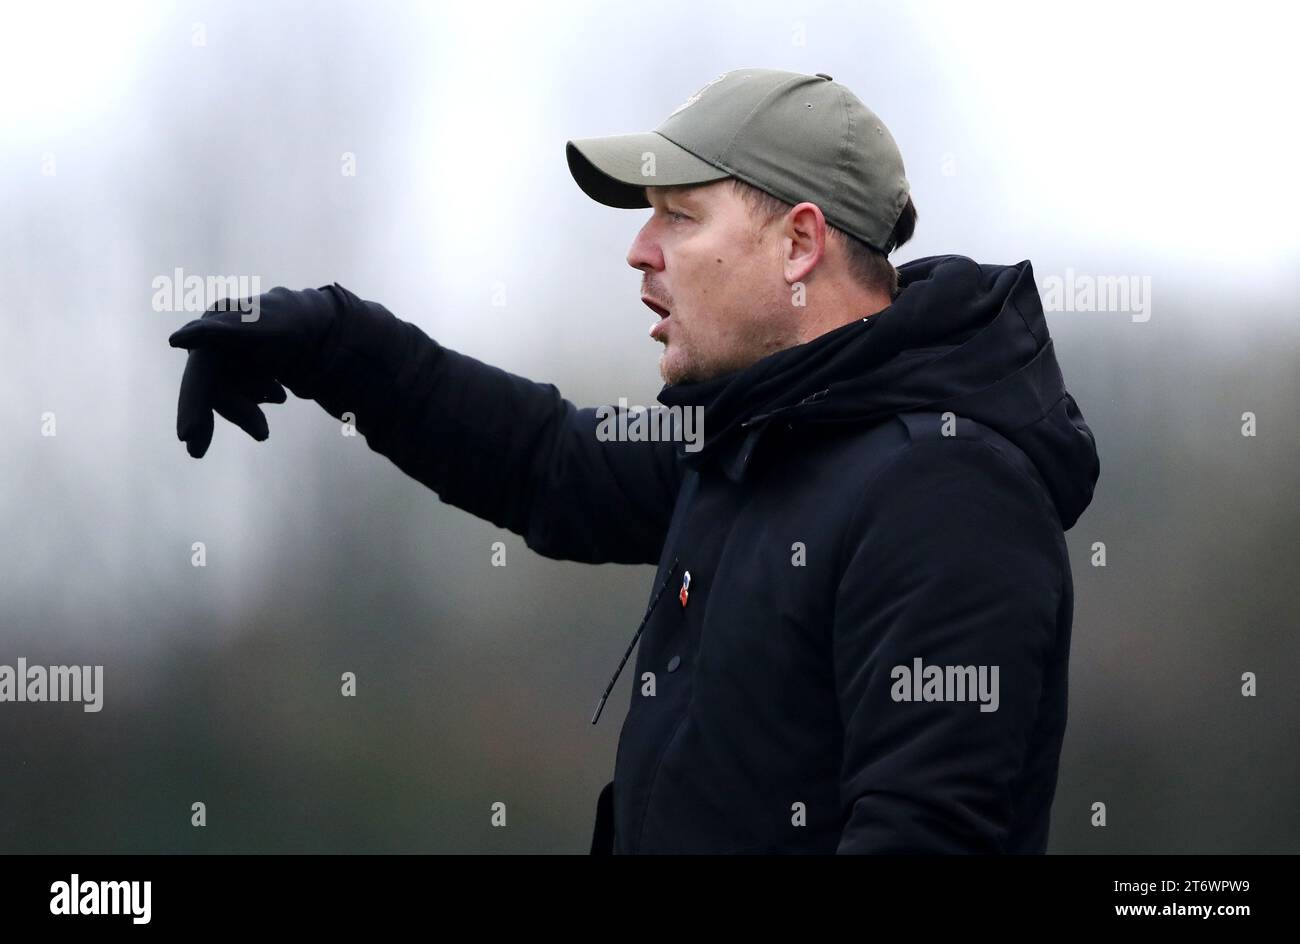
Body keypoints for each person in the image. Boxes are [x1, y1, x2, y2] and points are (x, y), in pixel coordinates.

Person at [169, 68, 1100, 854]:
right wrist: (329, 341)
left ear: (801, 244)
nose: (639, 252)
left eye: (679, 219)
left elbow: (925, 839)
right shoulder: (751, 438)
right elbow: (545, 461)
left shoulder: (946, 492)